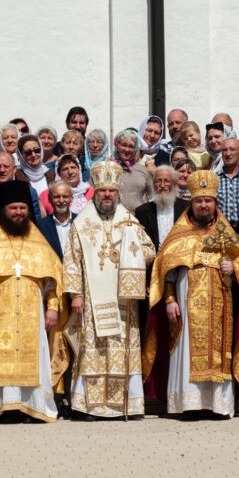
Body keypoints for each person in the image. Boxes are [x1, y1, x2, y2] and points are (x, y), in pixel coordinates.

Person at [144, 170, 239, 417]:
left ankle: (217, 405)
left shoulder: (226, 235)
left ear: (215, 203)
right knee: (185, 350)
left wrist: (234, 267)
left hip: (220, 306)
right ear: (191, 203)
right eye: (199, 201)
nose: (204, 205)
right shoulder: (179, 233)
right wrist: (170, 300)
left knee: (219, 349)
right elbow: (166, 270)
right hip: (185, 302)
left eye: (208, 200)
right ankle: (189, 403)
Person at [0, 180, 67, 422]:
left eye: (22, 208)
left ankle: (32, 407)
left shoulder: (36, 238)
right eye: (13, 208)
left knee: (34, 353)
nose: (19, 213)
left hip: (33, 308)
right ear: (3, 210)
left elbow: (51, 278)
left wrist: (52, 308)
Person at [62, 162, 155, 419]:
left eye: (111, 192)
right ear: (95, 191)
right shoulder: (81, 224)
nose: (107, 195)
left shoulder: (128, 220)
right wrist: (76, 295)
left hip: (122, 299)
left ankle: (125, 405)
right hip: (91, 299)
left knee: (121, 347)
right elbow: (71, 260)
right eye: (102, 191)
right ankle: (89, 406)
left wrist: (131, 248)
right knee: (93, 349)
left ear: (117, 193)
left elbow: (149, 251)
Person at [35, 180, 74, 259]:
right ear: (49, 199)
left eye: (65, 196)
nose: (61, 201)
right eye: (56, 197)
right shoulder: (40, 226)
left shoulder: (80, 222)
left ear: (71, 198)